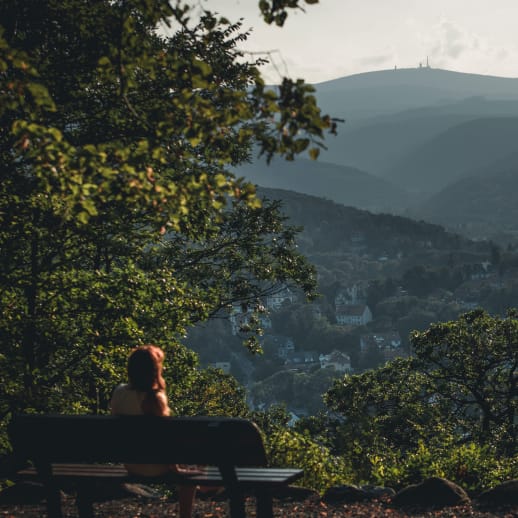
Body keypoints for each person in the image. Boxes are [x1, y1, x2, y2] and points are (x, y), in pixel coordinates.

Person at [110, 345, 197, 518]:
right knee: (190, 475)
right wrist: (177, 468)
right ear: (156, 370)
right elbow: (167, 441)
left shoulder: (119, 393)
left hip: (131, 463)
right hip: (158, 466)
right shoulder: (156, 400)